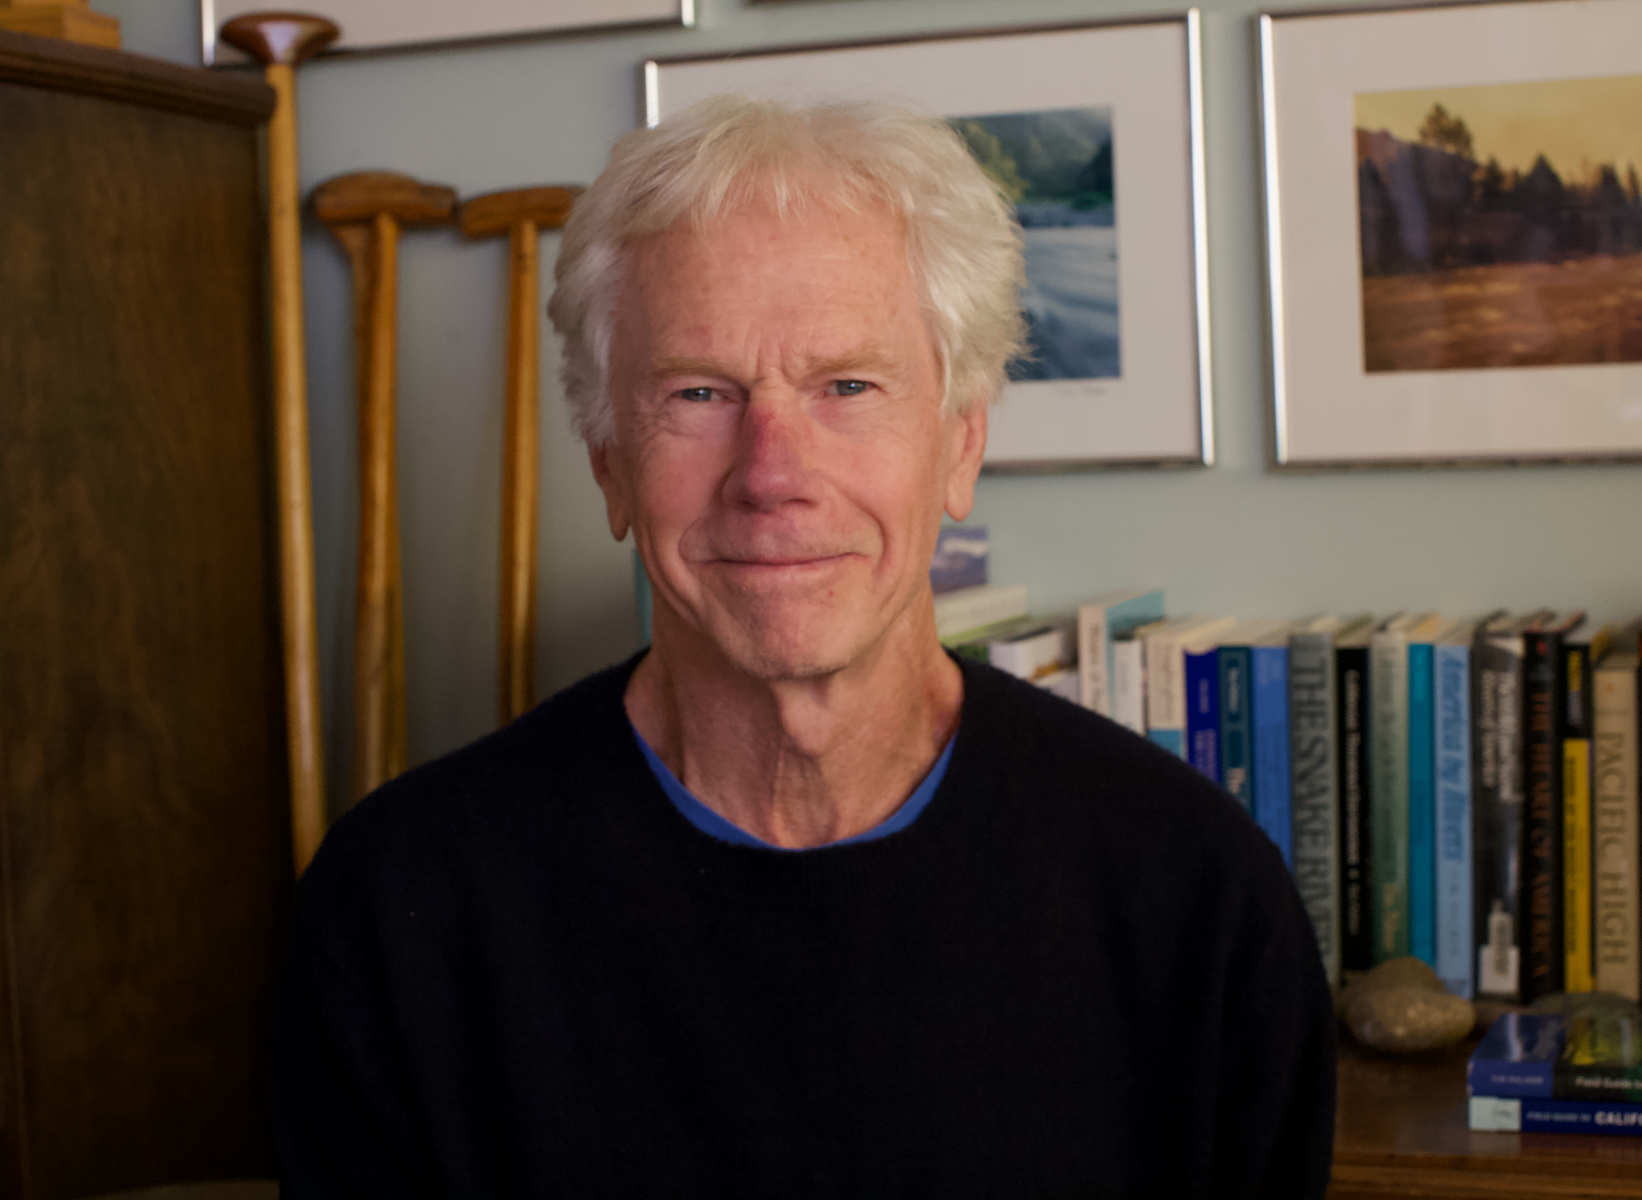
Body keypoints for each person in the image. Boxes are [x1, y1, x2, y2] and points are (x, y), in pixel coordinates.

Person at [269, 95, 1336, 1198]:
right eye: (698, 392)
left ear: (961, 442)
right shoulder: (400, 915)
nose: (772, 472)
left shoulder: (1195, 900)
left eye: (848, 387)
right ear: (607, 463)